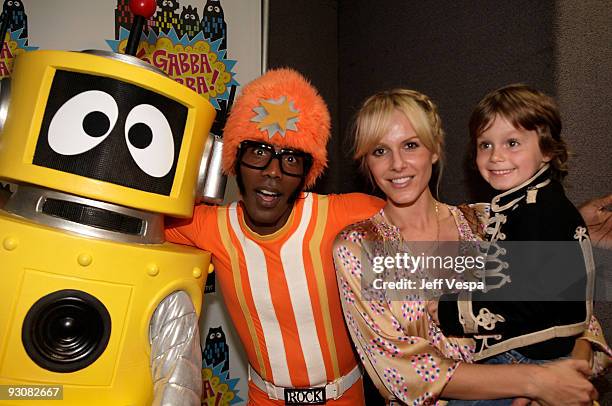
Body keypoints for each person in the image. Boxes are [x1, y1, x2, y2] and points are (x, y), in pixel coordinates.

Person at [332, 88, 608, 405]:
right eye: (379, 151)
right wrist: (536, 382)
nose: (397, 164)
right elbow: (406, 372)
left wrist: (567, 371)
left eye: (410, 145)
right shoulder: (361, 247)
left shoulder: (486, 222)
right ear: (365, 161)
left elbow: (569, 310)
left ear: (434, 149)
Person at [165, 68, 384, 405]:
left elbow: (473, 262)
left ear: (306, 173)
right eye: (257, 152)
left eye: (291, 159)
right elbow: (134, 213)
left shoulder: (344, 215)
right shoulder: (212, 227)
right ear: (235, 160)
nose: (272, 171)